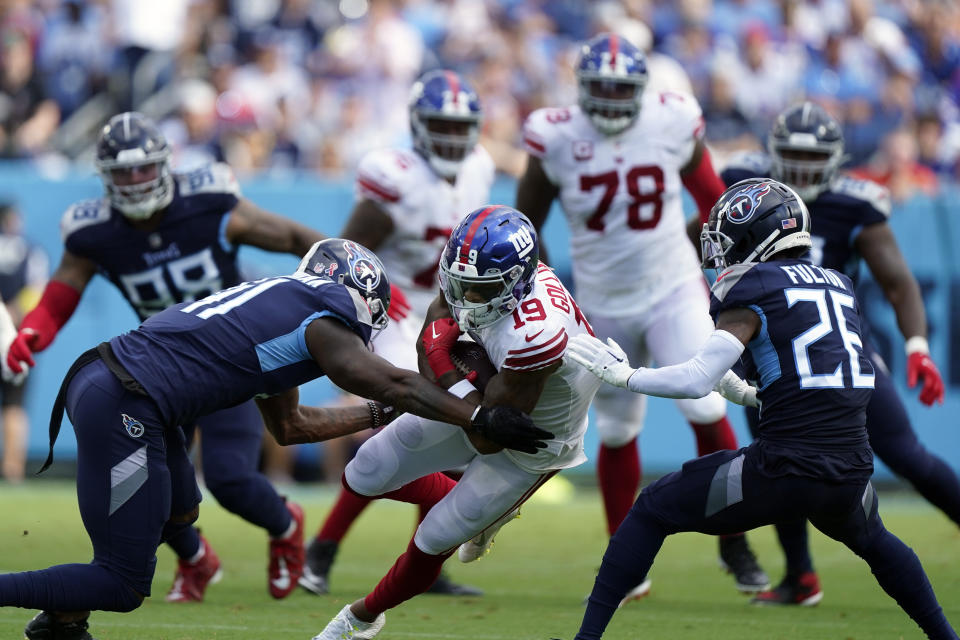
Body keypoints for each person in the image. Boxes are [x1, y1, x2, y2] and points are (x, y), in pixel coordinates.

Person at [0, 237, 546, 640]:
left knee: (179, 515)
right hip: (127, 402)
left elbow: (292, 428)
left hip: (122, 389)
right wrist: (476, 417)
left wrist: (374, 416)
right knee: (122, 583)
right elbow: (397, 381)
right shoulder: (322, 318)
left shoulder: (278, 305)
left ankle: (61, 622)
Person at [2, 111, 380, 603]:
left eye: (143, 169)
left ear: (165, 166)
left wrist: (357, 279)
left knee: (230, 478)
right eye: (122, 172)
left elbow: (291, 238)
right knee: (161, 491)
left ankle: (285, 523)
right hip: (158, 368)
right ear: (103, 178)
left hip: (231, 359)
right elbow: (61, 291)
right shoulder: (95, 231)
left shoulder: (207, 203)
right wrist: (33, 332)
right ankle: (196, 559)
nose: (135, 182)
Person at [563, 178, 958, 640]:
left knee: (651, 508)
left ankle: (585, 639)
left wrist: (623, 375)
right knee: (877, 542)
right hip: (850, 467)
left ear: (757, 238)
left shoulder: (755, 286)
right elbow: (821, 375)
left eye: (729, 242)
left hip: (784, 467)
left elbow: (695, 381)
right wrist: (752, 394)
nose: (722, 254)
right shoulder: (840, 284)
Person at [515, 32, 766, 597]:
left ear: (641, 90)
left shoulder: (671, 120)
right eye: (598, 88)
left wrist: (711, 273)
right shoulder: (555, 136)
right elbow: (525, 226)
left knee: (708, 402)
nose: (607, 99)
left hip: (672, 285)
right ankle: (623, 560)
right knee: (619, 427)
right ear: (580, 89)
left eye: (618, 88)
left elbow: (716, 206)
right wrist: (550, 289)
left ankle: (733, 539)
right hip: (602, 298)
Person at [311, 206, 600, 640]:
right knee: (364, 470)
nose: (465, 298)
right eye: (460, 283)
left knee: (434, 537)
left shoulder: (534, 337)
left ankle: (360, 619)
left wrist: (444, 362)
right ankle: (490, 512)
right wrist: (444, 365)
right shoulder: (478, 273)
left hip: (535, 438)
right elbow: (431, 340)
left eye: (479, 291)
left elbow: (488, 437)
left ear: (516, 285)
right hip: (488, 405)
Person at [720, 101, 956, 605]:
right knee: (775, 458)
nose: (802, 170)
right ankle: (800, 576)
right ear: (771, 153)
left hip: (838, 351)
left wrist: (918, 346)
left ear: (836, 158)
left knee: (905, 454)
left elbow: (898, 281)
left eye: (814, 159)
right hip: (769, 352)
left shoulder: (855, 204)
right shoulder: (746, 184)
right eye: (791, 157)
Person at [300, 69, 495, 598]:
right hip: (392, 308)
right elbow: (349, 249)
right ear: (417, 125)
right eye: (441, 125)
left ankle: (426, 558)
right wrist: (381, 287)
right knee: (406, 428)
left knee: (448, 435)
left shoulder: (479, 167)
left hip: (447, 312)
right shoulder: (397, 174)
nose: (453, 137)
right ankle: (323, 549)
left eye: (460, 126)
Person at [0, 201, 47, 482]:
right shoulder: (31, 250)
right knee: (15, 404)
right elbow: (37, 290)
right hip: (14, 335)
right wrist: (11, 314)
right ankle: (13, 470)